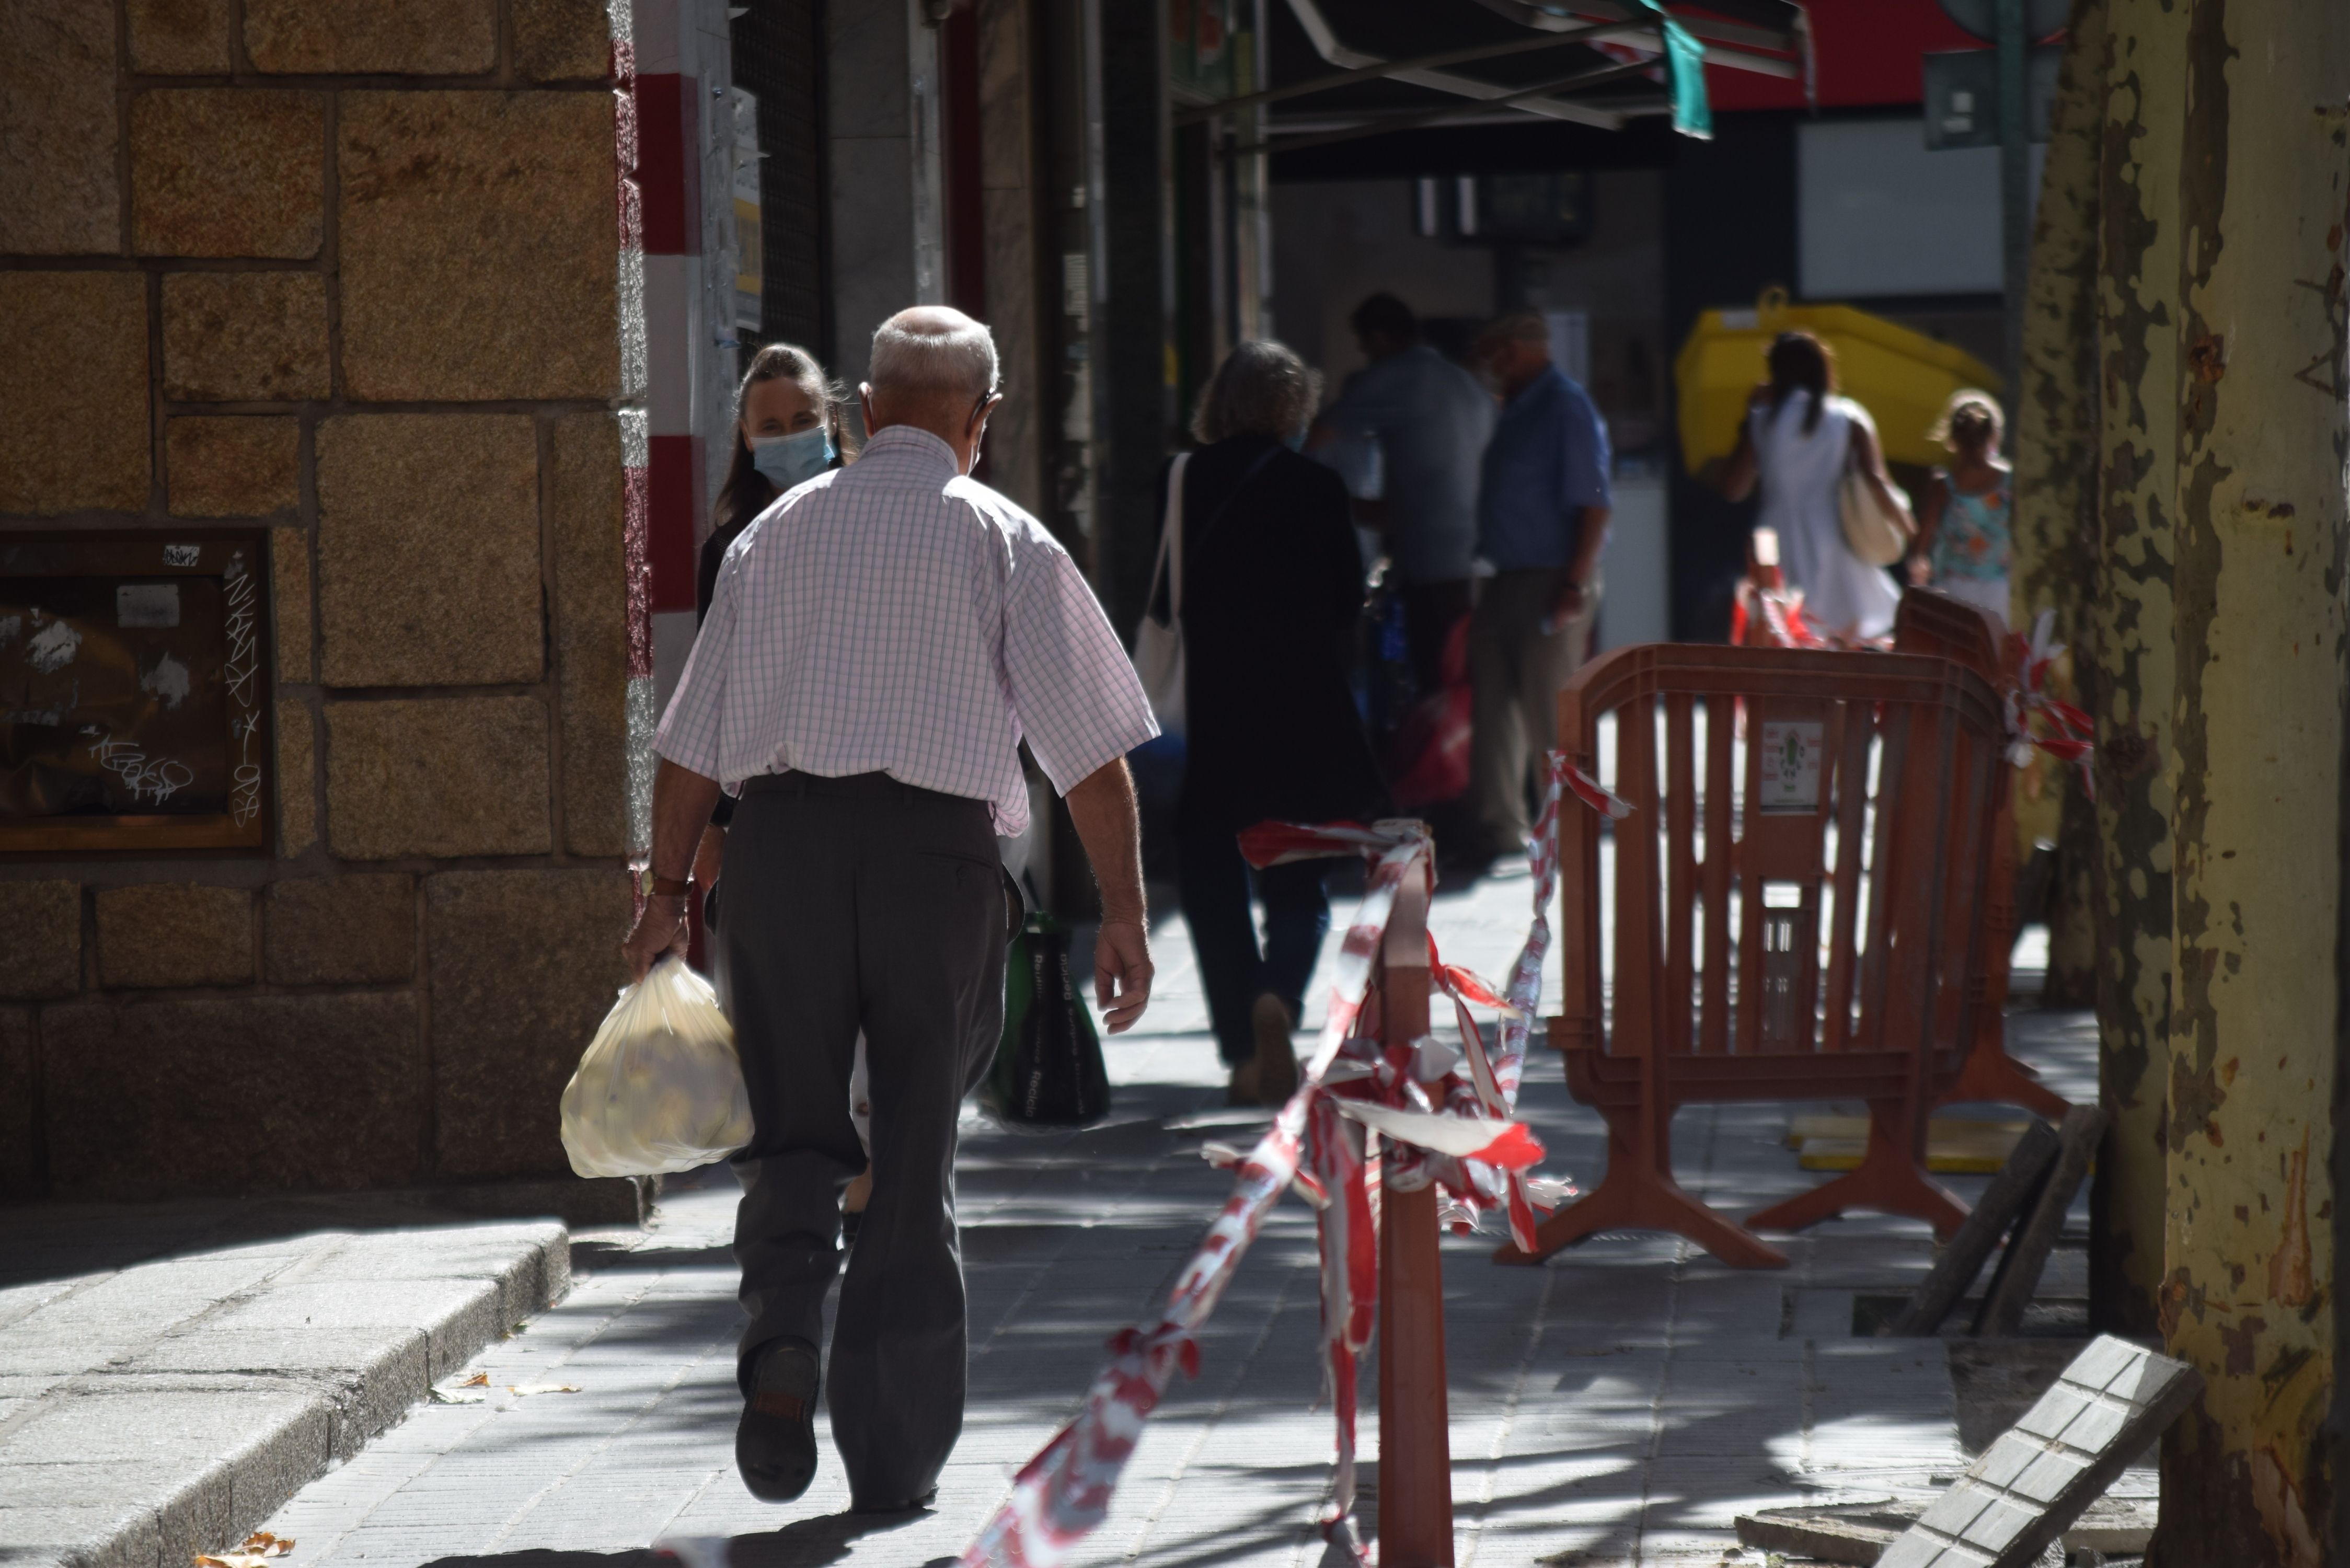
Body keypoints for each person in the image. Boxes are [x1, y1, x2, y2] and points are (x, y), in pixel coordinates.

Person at [624, 306, 1158, 1514]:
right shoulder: (1008, 539)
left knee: (795, 1131)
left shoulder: (773, 534)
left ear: (864, 410)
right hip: (940, 866)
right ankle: (893, 1451)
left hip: (783, 854)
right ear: (983, 420)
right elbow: (1092, 757)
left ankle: (780, 1346)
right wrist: (1119, 913)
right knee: (913, 1151)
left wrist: (664, 893)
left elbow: (693, 746)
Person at [1160, 341, 1389, 1106]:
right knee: (1299, 874)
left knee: (1209, 871)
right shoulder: (1320, 486)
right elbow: (1343, 602)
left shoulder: (1184, 478)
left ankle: (1241, 1044)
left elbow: (1163, 595)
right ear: (1296, 409)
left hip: (1215, 710)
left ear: (1219, 403)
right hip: (1304, 710)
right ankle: (1278, 998)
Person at [1465, 311, 1612, 865]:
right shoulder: (1516, 409)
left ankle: (1571, 829)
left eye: (1493, 351)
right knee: (1492, 707)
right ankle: (1499, 829)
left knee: (1547, 710)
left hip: (1553, 576)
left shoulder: (1565, 406)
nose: (1487, 364)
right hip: (1504, 576)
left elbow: (1595, 503)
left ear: (1520, 349)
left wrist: (1574, 581)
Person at [1309, 293, 1495, 693]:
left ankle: (1434, 755)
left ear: (1378, 337)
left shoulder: (1396, 375)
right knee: (1470, 680)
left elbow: (1317, 440)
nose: (1365, 355)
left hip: (1433, 558)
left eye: (1363, 345)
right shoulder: (1464, 383)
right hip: (1481, 557)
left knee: (1436, 677)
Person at [1717, 330, 1914, 641]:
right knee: (1837, 634)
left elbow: (1734, 489)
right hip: (1831, 533)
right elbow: (1877, 481)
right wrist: (1909, 529)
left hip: (1772, 540)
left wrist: (1749, 416)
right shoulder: (1847, 417)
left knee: (1779, 629)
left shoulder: (1762, 419)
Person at [1906, 389, 2012, 625]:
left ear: (1952, 438)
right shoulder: (2010, 483)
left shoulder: (1944, 485)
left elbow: (1922, 542)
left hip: (1953, 593)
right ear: (1995, 435)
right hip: (2001, 591)